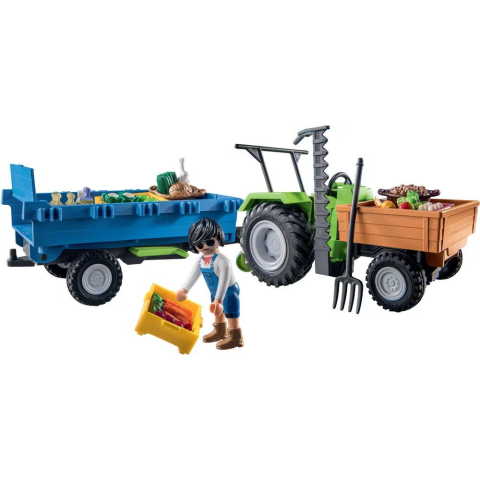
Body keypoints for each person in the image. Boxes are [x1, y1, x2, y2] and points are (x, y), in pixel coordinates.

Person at [177, 219, 244, 350]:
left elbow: (224, 280)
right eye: (200, 245)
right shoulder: (201, 260)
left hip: (229, 291)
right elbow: (193, 275)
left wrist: (219, 300)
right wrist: (184, 290)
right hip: (214, 290)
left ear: (219, 239)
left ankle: (235, 336)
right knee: (217, 312)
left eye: (210, 242)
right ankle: (220, 331)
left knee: (231, 312)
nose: (205, 247)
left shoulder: (223, 261)